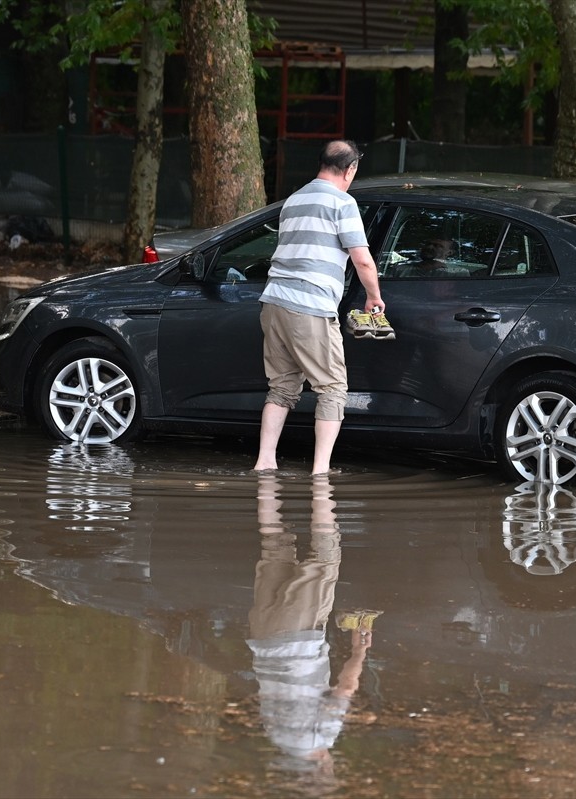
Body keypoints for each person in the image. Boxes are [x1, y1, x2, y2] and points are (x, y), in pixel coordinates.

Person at [253, 139, 385, 475]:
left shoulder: (293, 200)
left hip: (274, 302)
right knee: (333, 388)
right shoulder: (342, 203)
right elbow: (362, 260)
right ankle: (321, 471)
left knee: (281, 387)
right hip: (309, 305)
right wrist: (373, 297)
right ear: (350, 169)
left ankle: (264, 462)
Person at [247, 473, 374, 774]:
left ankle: (321, 484)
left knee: (326, 555)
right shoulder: (275, 735)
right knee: (273, 544)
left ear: (324, 770)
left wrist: (359, 652)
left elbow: (345, 688)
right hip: (261, 636)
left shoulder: (320, 739)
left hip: (298, 638)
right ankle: (268, 479)